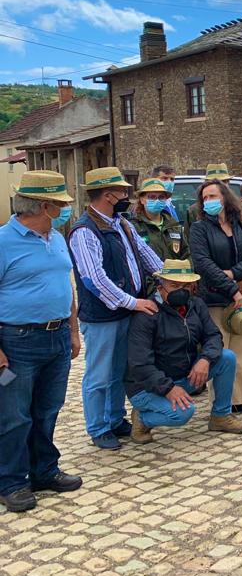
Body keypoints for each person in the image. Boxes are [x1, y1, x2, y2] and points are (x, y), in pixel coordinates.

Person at [0, 171, 82, 513]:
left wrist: (73, 330)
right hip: (18, 340)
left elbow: (66, 284)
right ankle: (11, 481)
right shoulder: (3, 241)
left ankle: (44, 470)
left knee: (49, 408)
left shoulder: (56, 236)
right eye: (60, 205)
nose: (65, 210)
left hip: (57, 335)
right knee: (15, 416)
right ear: (44, 206)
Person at [69, 167, 164, 450]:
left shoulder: (123, 223)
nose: (126, 196)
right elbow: (94, 279)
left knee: (120, 371)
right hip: (102, 316)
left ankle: (114, 418)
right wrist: (133, 302)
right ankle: (98, 427)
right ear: (109, 195)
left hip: (127, 311)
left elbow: (147, 257)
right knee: (99, 375)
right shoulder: (84, 231)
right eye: (123, 191)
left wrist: (169, 280)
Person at [126, 259, 242, 443]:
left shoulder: (196, 304)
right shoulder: (146, 314)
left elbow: (214, 336)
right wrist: (168, 389)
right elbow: (140, 364)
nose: (181, 290)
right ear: (160, 286)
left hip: (184, 375)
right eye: (174, 285)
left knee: (227, 358)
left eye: (186, 285)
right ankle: (141, 418)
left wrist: (205, 359)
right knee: (183, 413)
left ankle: (221, 416)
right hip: (147, 386)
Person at [188, 180, 242, 413]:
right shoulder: (199, 228)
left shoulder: (241, 223)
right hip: (214, 298)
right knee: (221, 351)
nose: (209, 201)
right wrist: (230, 289)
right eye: (205, 198)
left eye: (214, 196)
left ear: (225, 197)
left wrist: (234, 274)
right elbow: (203, 264)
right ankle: (222, 403)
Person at [129, 178, 189, 276]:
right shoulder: (133, 227)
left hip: (177, 282)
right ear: (142, 199)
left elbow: (186, 254)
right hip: (151, 286)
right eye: (152, 197)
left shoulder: (173, 224)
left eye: (161, 197)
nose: (157, 200)